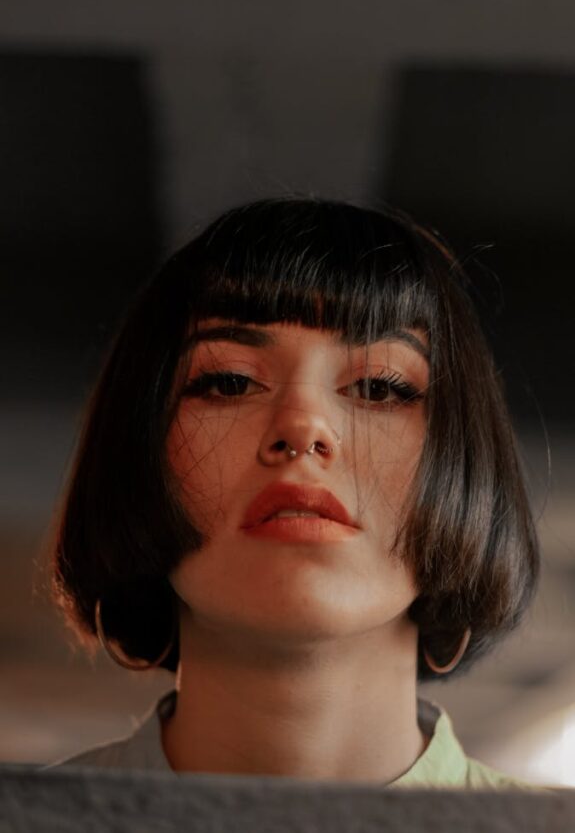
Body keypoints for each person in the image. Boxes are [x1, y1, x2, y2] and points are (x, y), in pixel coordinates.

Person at [47, 198, 540, 788]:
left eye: (381, 388)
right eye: (229, 382)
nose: (303, 426)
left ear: (465, 463)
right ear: (136, 451)